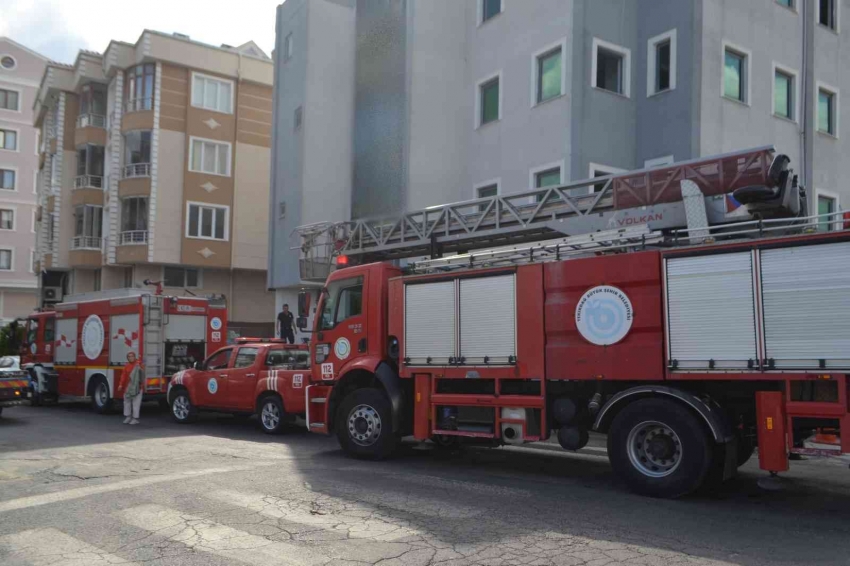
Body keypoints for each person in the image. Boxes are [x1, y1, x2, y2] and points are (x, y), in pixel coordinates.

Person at [119, 351, 144, 425]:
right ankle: (128, 417)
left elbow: (142, 376)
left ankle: (135, 418)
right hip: (128, 387)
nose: (130, 358)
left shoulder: (139, 365)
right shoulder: (126, 366)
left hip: (137, 387)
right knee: (127, 402)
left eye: (132, 356)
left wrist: (140, 385)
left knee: (136, 403)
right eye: (129, 356)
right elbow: (123, 376)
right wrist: (120, 385)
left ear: (134, 357)